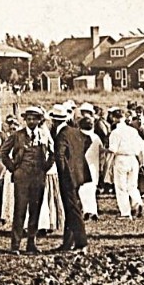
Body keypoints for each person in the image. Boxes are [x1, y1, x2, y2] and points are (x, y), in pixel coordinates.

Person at [3, 106, 55, 254]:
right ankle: (15, 245)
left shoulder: (44, 135)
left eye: (34, 119)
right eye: (28, 119)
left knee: (35, 210)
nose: (31, 121)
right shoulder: (17, 135)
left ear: (40, 120)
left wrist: (46, 167)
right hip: (22, 177)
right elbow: (3, 152)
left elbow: (53, 152)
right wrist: (13, 168)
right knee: (19, 211)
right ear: (25, 120)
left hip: (38, 177)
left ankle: (31, 243)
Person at [54, 104, 91, 252]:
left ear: (54, 120)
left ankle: (82, 243)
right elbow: (87, 140)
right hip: (78, 175)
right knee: (72, 208)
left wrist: (64, 172)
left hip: (68, 177)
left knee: (73, 209)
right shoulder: (75, 132)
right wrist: (77, 160)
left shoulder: (61, 134)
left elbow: (60, 156)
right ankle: (68, 243)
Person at [105, 111, 144, 219]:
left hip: (121, 159)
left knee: (121, 187)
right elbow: (141, 148)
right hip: (133, 159)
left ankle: (125, 212)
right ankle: (138, 203)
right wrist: (141, 162)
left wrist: (107, 166)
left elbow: (112, 151)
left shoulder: (115, 133)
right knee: (132, 185)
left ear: (114, 119)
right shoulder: (133, 131)